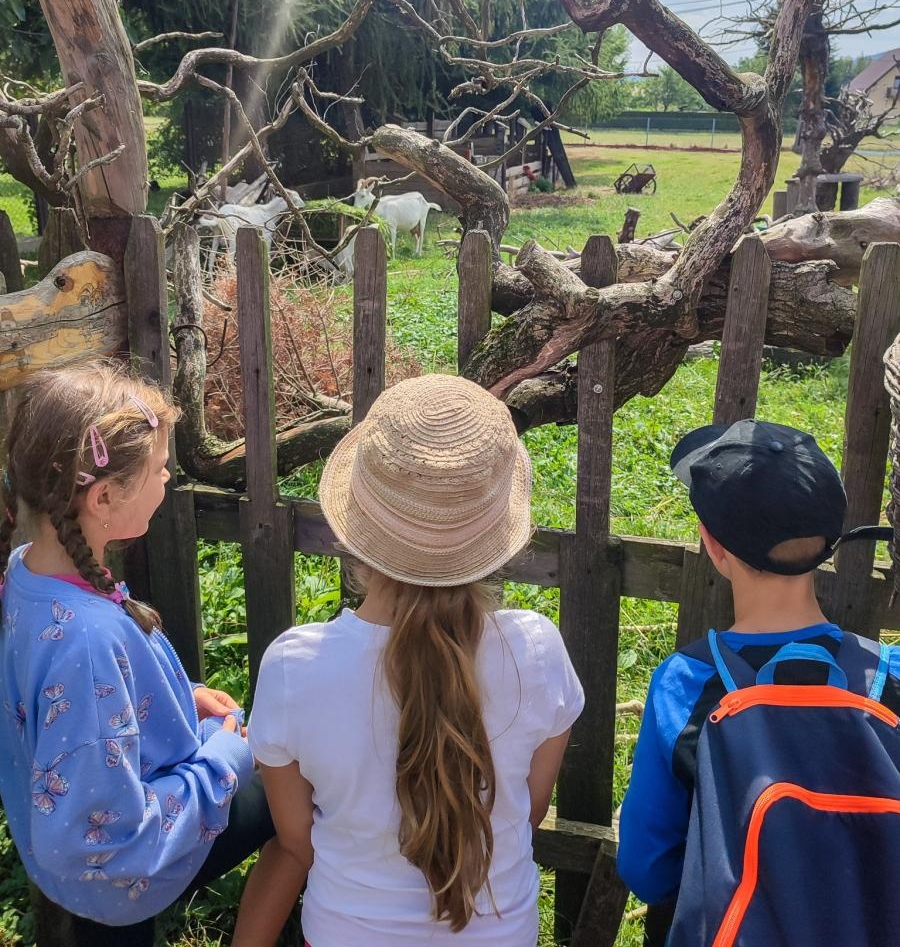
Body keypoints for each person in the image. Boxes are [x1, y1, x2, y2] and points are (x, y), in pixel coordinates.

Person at [235, 373, 584, 947]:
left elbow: (297, 841)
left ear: (354, 531)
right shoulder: (537, 653)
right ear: (500, 535)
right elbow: (526, 810)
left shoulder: (295, 668)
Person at [0, 361, 296, 946]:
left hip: (50, 849)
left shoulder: (27, 573)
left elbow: (65, 707)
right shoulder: (87, 641)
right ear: (105, 497)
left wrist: (175, 699)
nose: (168, 481)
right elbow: (110, 836)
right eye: (162, 470)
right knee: (289, 792)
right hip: (116, 880)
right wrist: (226, 757)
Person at [618, 419, 900, 944]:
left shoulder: (687, 684)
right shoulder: (893, 677)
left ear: (713, 546)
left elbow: (648, 870)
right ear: (828, 542)